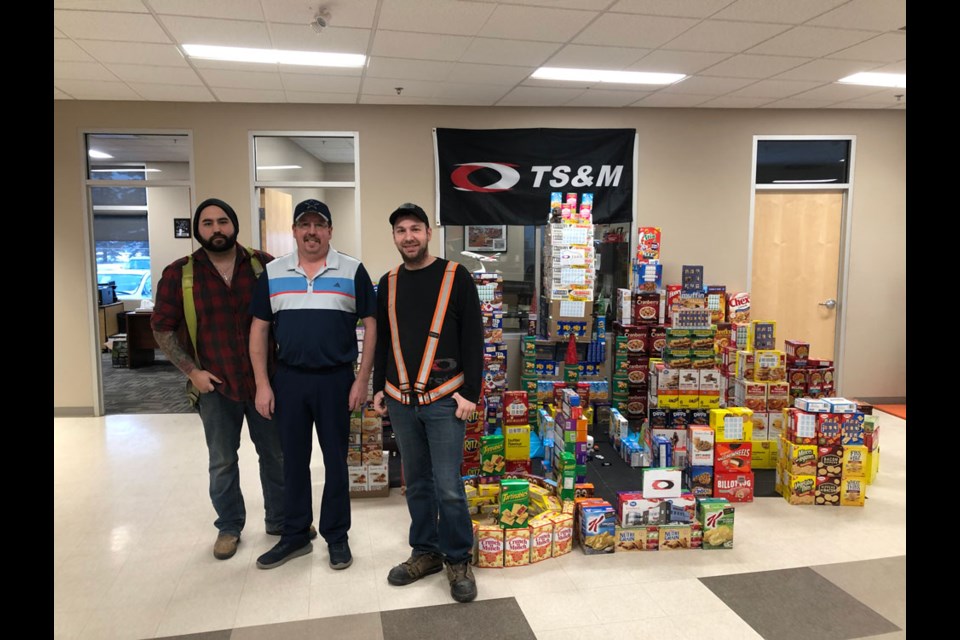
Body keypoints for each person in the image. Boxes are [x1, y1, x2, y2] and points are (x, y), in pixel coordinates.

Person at [151, 197, 291, 561]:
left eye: (223, 221)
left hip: (266, 384)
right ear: (198, 230)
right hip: (216, 386)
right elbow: (161, 327)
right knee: (223, 460)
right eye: (208, 223)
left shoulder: (263, 265)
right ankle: (229, 527)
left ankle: (279, 520)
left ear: (234, 225)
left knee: (275, 455)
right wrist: (192, 371)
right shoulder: (180, 274)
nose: (217, 229)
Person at [250, 199, 377, 571]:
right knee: (293, 461)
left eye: (318, 225)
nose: (311, 232)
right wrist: (262, 384)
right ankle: (295, 534)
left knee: (337, 463)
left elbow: (371, 324)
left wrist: (362, 378)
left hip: (337, 380)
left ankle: (336, 537)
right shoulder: (273, 273)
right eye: (303, 224)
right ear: (293, 231)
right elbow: (258, 329)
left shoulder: (352, 270)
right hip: (288, 379)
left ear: (330, 231)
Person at [372, 203, 484, 603]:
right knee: (415, 483)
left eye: (415, 228)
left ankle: (457, 558)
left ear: (428, 233)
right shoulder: (387, 283)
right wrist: (378, 387)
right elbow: (384, 339)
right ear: (395, 237)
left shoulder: (456, 277)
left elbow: (474, 336)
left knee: (449, 486)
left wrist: (471, 392)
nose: (408, 237)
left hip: (444, 398)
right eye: (401, 230)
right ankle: (426, 552)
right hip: (401, 399)